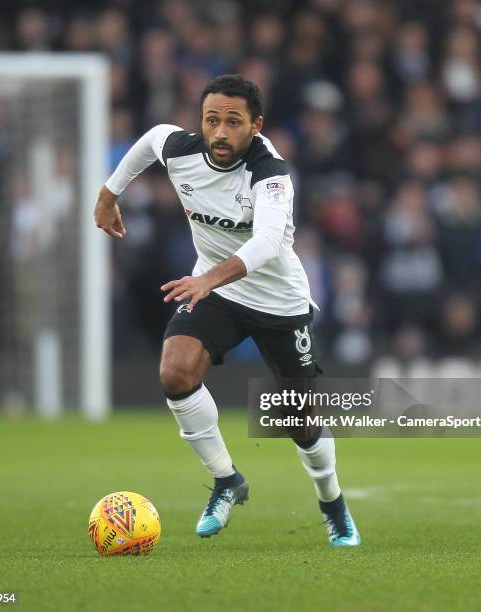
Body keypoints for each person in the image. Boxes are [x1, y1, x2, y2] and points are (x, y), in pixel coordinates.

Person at [94, 74, 361, 546]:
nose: (220, 133)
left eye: (233, 123)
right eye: (211, 120)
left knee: (300, 420)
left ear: (255, 126)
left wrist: (207, 278)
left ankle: (332, 502)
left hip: (279, 301)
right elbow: (152, 139)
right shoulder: (181, 150)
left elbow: (266, 243)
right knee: (176, 372)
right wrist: (109, 193)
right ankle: (226, 480)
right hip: (220, 293)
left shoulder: (271, 172)